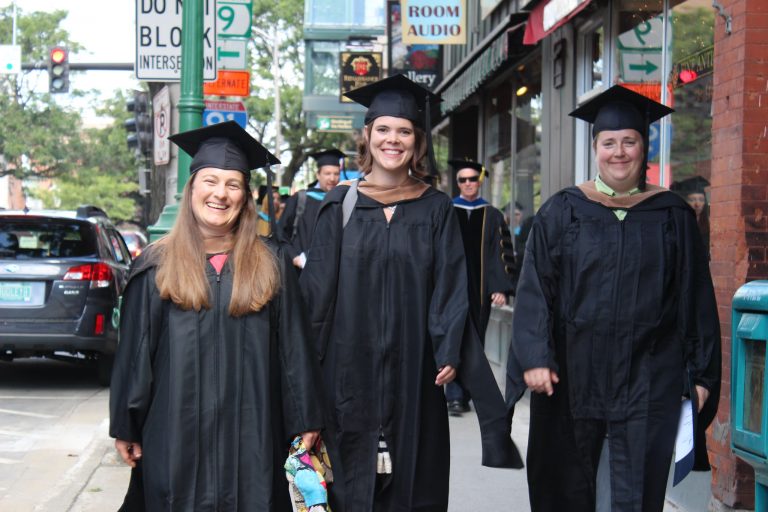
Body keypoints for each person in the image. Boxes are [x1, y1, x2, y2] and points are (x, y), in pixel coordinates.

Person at [301, 74, 521, 511]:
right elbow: (315, 300)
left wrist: (447, 351)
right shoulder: (338, 206)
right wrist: (308, 387)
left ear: (417, 140)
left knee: (414, 487)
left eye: (403, 131)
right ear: (367, 135)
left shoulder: (435, 208)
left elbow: (450, 288)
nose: (392, 139)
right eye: (383, 129)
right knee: (347, 490)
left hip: (415, 373)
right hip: (347, 378)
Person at [506, 85, 721, 512]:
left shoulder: (672, 214)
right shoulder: (562, 211)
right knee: (564, 488)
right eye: (609, 143)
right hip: (571, 377)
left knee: (636, 494)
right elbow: (535, 291)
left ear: (643, 147)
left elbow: (695, 299)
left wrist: (701, 378)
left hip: (648, 379)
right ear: (595, 148)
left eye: (629, 141)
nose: (618, 152)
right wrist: (534, 357)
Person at [109, 121, 324, 511]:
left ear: (245, 197)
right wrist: (126, 424)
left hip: (255, 437)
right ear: (192, 188)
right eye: (210, 180)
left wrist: (306, 417)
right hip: (174, 437)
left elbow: (295, 349)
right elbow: (136, 355)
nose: (219, 194)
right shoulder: (156, 265)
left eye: (232, 184)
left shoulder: (271, 262)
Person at [445, 158, 516, 416]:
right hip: (450, 289)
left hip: (479, 291)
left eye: (472, 179)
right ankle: (454, 394)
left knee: (474, 340)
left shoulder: (492, 214)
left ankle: (464, 391)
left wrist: (500, 287)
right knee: (452, 337)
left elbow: (501, 254)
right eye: (462, 180)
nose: (467, 184)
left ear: (480, 181)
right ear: (457, 183)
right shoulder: (446, 211)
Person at [278, 148, 343, 270]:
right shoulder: (300, 198)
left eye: (336, 173)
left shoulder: (342, 201)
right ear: (318, 174)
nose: (332, 178)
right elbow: (280, 233)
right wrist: (294, 257)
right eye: (327, 173)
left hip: (331, 271)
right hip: (301, 270)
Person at [672, 176, 710, 252]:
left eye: (701, 199)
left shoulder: (708, 226)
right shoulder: (677, 224)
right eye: (692, 200)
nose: (697, 204)